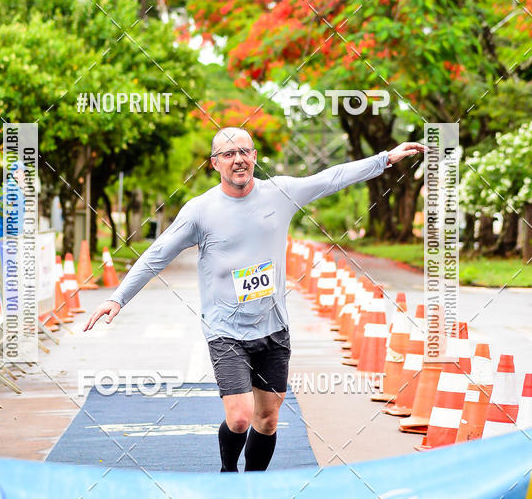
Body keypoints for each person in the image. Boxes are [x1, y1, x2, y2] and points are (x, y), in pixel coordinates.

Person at [84, 128, 425, 472]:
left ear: (255, 157)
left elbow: (330, 178)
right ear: (215, 163)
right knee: (240, 419)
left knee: (267, 420)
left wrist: (385, 159)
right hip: (225, 331)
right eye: (229, 154)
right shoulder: (200, 211)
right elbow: (157, 254)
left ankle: (256, 483)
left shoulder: (279, 193)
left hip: (273, 327)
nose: (238, 160)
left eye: (244, 152)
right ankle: (229, 472)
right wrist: (118, 298)